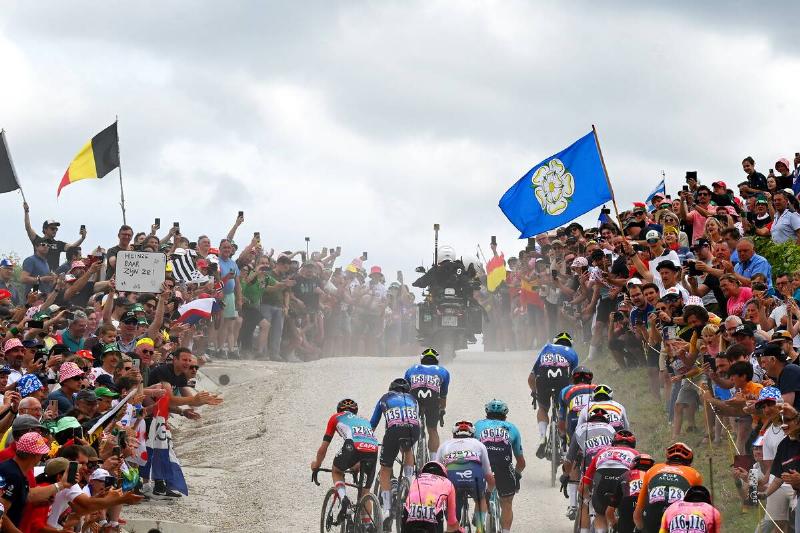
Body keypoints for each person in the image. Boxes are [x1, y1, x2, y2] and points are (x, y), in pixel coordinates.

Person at [311, 399, 380, 526]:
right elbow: (364, 447)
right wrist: (356, 465)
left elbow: (323, 448)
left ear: (339, 410)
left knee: (337, 471)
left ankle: (344, 500)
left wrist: (317, 464)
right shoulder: (364, 420)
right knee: (365, 492)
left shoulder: (335, 418)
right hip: (373, 449)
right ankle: (368, 524)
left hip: (353, 446)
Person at [370, 378, 420, 525]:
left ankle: (386, 508)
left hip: (394, 431)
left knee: (385, 469)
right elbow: (415, 419)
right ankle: (409, 480)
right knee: (408, 448)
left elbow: (373, 423)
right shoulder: (413, 399)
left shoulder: (385, 398)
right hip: (414, 430)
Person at [474, 399, 525, 533]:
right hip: (504, 468)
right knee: (507, 503)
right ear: (505, 414)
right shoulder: (512, 428)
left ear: (487, 413)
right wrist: (517, 476)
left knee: (481, 498)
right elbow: (521, 462)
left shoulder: (478, 425)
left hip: (483, 467)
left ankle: (479, 526)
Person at [434, 420, 495, 530]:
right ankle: (480, 528)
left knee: (453, 522)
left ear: (454, 434)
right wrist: (488, 493)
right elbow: (488, 474)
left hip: (452, 477)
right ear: (472, 434)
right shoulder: (479, 444)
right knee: (480, 499)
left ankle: (453, 525)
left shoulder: (444, 445)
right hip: (474, 476)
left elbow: (436, 471)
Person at [634, 442, 703, 533]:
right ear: (689, 462)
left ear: (668, 458)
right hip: (677, 516)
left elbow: (638, 512)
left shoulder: (653, 469)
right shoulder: (694, 473)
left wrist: (641, 529)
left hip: (652, 514)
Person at [528, 332, 579, 457]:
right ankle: (563, 441)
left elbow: (531, 377)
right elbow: (575, 379)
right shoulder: (573, 353)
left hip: (543, 378)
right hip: (562, 380)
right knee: (564, 410)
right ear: (570, 344)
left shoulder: (546, 348)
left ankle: (542, 436)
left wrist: (535, 393)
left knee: (543, 408)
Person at [563, 407, 616, 521]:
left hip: (590, 472)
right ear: (606, 421)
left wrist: (566, 475)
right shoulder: (612, 429)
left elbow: (569, 459)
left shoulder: (581, 429)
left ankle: (587, 520)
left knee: (585, 503)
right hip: (611, 471)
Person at [581, 430, 638, 533]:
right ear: (633, 445)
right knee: (627, 515)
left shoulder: (602, 452)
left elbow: (586, 480)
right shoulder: (635, 454)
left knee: (600, 513)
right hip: (624, 480)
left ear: (613, 443)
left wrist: (586, 500)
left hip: (603, 480)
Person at [404, 348, 450, 454]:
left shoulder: (411, 369)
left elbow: (405, 392)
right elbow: (443, 395)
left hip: (414, 399)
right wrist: (442, 409)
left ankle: (410, 457)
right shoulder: (443, 371)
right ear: (437, 361)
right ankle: (434, 460)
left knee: (411, 430)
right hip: (432, 401)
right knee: (433, 430)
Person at [400, 461, 460, 533]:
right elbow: (452, 519)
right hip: (432, 519)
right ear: (444, 474)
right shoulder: (448, 483)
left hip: (409, 515)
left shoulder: (416, 480)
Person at [607, 453, 655, 533]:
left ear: (634, 464)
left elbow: (610, 509)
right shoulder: (655, 475)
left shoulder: (625, 475)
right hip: (647, 504)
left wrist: (615, 525)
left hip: (628, 503)